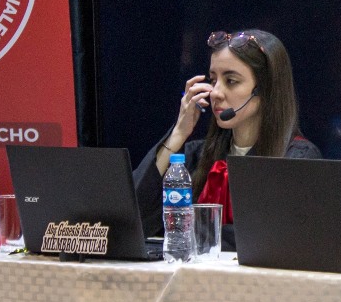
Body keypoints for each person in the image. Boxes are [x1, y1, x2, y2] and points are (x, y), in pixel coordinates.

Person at [134, 29, 321, 250]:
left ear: (265, 89)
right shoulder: (196, 156)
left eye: (231, 81)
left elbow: (276, 239)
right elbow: (134, 218)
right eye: (213, 80)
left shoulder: (297, 158)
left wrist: (192, 230)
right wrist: (178, 133)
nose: (215, 92)